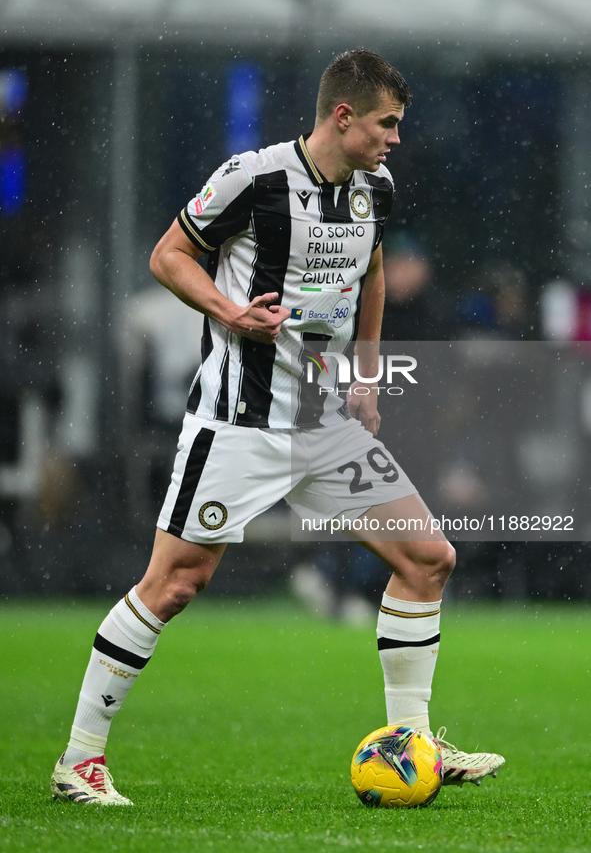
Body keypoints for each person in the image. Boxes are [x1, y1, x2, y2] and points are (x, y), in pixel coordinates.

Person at [50, 49, 504, 805]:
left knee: (427, 556)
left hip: (323, 423)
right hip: (239, 422)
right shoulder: (251, 178)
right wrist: (231, 313)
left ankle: (413, 742)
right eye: (387, 124)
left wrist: (364, 377)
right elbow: (167, 256)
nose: (395, 139)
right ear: (343, 116)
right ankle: (80, 759)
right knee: (173, 585)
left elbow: (373, 275)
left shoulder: (375, 190)